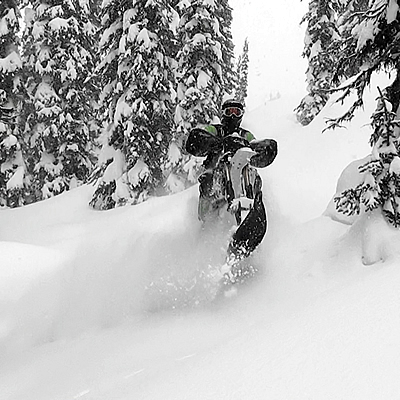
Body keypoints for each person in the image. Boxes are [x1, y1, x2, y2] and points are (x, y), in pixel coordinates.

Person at [185, 99, 278, 267]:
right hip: (216, 177)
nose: (233, 116)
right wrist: (214, 143)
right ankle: (211, 224)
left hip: (242, 175)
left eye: (237, 112)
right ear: (223, 114)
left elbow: (254, 146)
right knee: (207, 179)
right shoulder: (216, 130)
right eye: (229, 112)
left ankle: (251, 212)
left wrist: (265, 150)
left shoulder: (245, 135)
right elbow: (196, 138)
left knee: (255, 176)